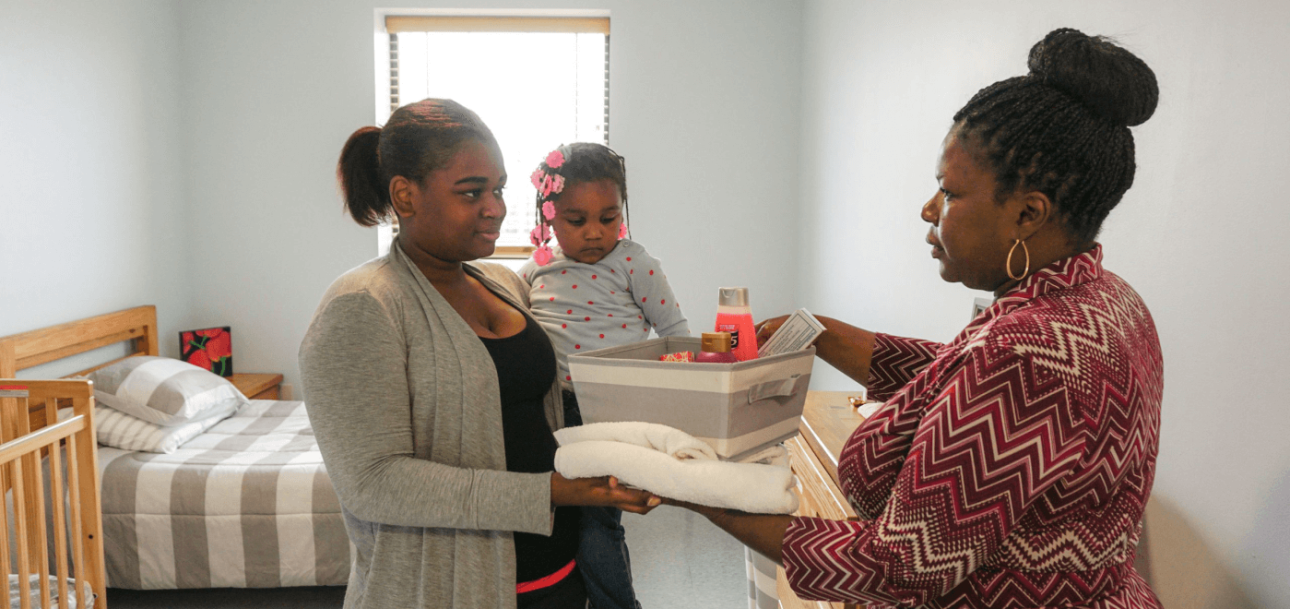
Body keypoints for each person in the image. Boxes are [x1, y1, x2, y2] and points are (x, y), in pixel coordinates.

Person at [668, 28, 1165, 608]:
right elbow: (960, 378)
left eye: (950, 194)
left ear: (1028, 213)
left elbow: (898, 565)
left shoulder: (1025, 352)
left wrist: (693, 488)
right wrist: (819, 334)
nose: (928, 210)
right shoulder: (1107, 300)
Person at [299, 98, 659, 609]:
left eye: (499, 189)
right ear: (405, 195)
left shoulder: (503, 282)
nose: (495, 207)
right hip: (449, 588)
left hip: (558, 573)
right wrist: (554, 492)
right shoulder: (364, 305)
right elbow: (374, 484)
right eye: (472, 192)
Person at [517, 142, 691, 609]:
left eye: (608, 218)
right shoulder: (535, 269)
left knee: (599, 518)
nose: (595, 233)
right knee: (555, 516)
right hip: (550, 407)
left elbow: (675, 334)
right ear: (549, 216)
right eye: (577, 220)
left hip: (610, 409)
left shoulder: (634, 263)